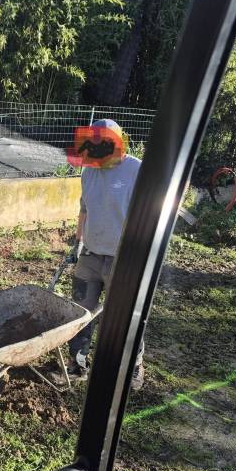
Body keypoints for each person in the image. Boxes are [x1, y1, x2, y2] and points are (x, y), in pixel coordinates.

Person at [59, 119, 145, 390]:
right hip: (90, 256)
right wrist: (78, 242)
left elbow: (153, 213)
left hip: (123, 260)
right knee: (80, 312)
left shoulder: (138, 171)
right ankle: (77, 364)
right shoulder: (89, 171)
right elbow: (84, 209)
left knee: (124, 317)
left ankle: (132, 366)